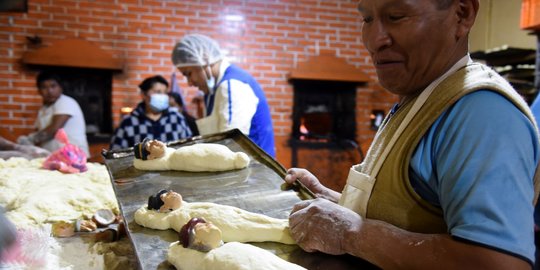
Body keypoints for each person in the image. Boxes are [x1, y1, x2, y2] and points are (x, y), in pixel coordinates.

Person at [285, 0, 539, 269]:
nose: (374, 41)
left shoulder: (482, 114)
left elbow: (497, 264)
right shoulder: (421, 98)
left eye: (396, 16)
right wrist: (333, 203)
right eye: (367, 19)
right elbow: (412, 215)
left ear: (461, 14)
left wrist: (351, 233)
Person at [171, 34, 276, 157]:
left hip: (254, 170)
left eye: (189, 73)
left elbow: (231, 147)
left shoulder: (232, 85)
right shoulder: (211, 91)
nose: (189, 82)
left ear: (204, 58)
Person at [110, 75, 192, 150]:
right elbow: (116, 152)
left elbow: (189, 148)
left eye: (165, 92)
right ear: (144, 95)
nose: (162, 96)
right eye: (158, 92)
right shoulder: (128, 122)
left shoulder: (177, 119)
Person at [17, 72, 89, 156]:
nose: (50, 91)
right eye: (44, 87)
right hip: (54, 156)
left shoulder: (65, 102)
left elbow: (54, 129)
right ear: (39, 91)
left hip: (74, 157)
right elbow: (39, 131)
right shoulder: (43, 109)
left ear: (61, 88)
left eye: (53, 86)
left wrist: (30, 139)